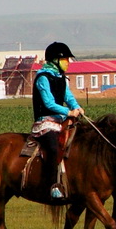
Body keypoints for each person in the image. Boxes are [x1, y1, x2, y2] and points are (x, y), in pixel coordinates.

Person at [31, 41, 85, 201]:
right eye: (65, 59)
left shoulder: (61, 77)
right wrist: (68, 111)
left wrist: (77, 107)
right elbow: (48, 103)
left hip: (61, 119)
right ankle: (53, 184)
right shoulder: (42, 77)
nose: (67, 63)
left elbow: (67, 96)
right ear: (55, 60)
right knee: (54, 148)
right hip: (45, 121)